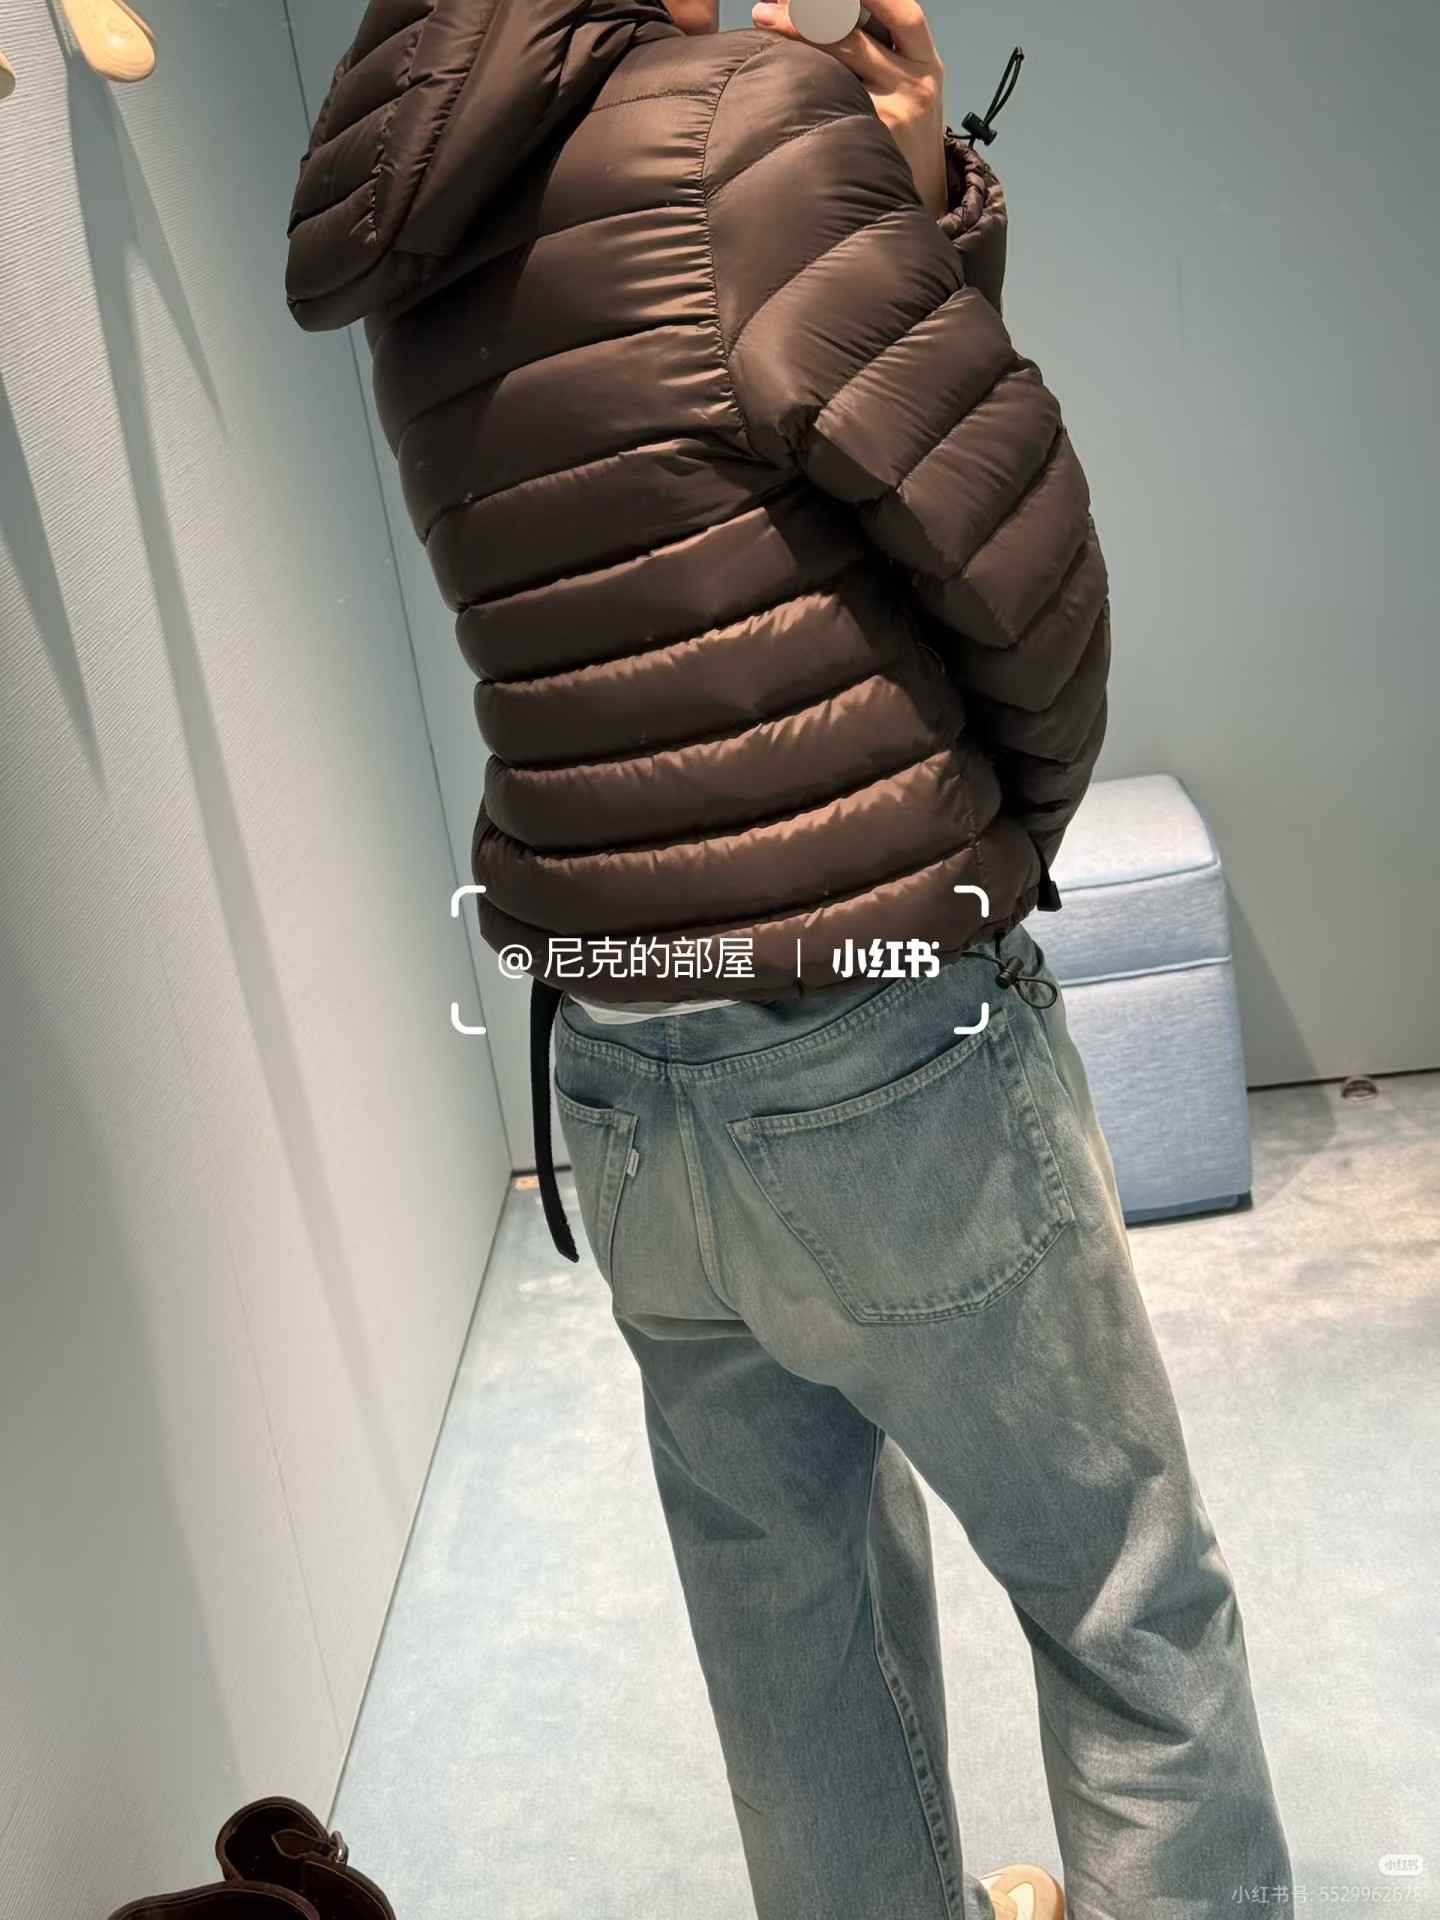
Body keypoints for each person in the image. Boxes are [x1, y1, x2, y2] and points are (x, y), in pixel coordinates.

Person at [286, 2, 1293, 1916]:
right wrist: (993, 870)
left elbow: (697, 495)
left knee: (794, 1653)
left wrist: (907, 202)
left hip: (614, 1063)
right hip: (874, 1040)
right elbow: (1020, 560)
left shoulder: (417, 211)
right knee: (1126, 1604)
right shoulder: (741, 121)